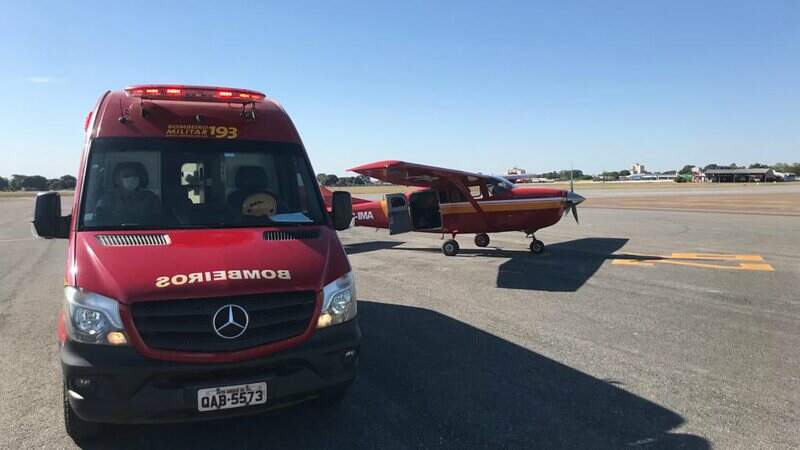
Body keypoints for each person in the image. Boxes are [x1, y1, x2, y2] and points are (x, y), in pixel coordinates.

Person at [96, 162, 160, 225]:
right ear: (117, 180)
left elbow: (158, 221)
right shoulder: (107, 199)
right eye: (126, 176)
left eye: (135, 175)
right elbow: (101, 221)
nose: (131, 178)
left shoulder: (151, 198)